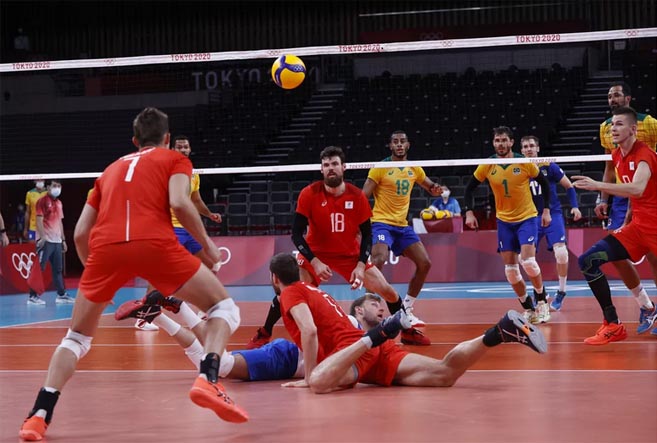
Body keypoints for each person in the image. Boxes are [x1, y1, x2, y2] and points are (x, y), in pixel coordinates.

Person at [18, 107, 248, 442]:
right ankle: (208, 378)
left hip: (106, 249)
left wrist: (98, 280)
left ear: (134, 140)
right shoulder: (175, 159)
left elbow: (81, 233)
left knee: (76, 338)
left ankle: (39, 415)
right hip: (154, 243)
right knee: (223, 308)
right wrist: (209, 246)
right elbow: (180, 203)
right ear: (167, 139)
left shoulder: (109, 170)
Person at [270, 252, 547, 392]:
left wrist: (307, 378)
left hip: (356, 350)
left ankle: (380, 333)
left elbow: (309, 330)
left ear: (274, 278)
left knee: (319, 383)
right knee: (444, 374)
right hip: (371, 357)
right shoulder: (312, 290)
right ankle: (499, 332)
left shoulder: (291, 292)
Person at [248, 146, 428, 348]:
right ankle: (265, 332)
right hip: (315, 254)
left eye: (334, 164)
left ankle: (407, 331)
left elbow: (367, 235)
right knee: (289, 292)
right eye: (326, 165)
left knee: (388, 292)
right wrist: (315, 261)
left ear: (343, 167)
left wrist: (361, 264)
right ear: (321, 169)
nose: (330, 168)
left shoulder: (357, 196)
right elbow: (296, 234)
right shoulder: (309, 193)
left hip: (349, 255)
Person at [572, 106, 657, 344]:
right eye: (611, 125)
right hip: (637, 228)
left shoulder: (645, 154)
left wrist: (598, 185)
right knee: (588, 260)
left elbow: (637, 187)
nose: (613, 129)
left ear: (633, 129)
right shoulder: (617, 155)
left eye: (619, 124)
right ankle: (613, 324)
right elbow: (635, 193)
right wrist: (629, 213)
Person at [133, 135, 222, 331]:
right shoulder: (166, 171)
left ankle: (204, 308)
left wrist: (209, 214)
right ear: (173, 149)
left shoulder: (193, 175)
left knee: (211, 264)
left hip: (189, 229)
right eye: (179, 147)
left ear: (190, 149)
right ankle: (144, 315)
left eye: (185, 147)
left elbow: (196, 200)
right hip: (171, 228)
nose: (183, 150)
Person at [463, 126, 552, 324]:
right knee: (510, 271)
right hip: (504, 221)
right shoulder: (488, 165)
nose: (501, 144)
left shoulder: (524, 162)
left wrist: (546, 210)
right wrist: (468, 212)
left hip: (527, 218)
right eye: (497, 141)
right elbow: (469, 189)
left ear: (511, 142)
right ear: (493, 143)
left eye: (504, 140)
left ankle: (542, 302)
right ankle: (528, 308)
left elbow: (544, 184)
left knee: (528, 261)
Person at [362, 130, 441, 333]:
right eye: (395, 142)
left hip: (402, 226)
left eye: (402, 141)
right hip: (381, 223)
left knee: (425, 263)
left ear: (408, 145)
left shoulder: (414, 168)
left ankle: (406, 309)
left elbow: (429, 186)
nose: (399, 144)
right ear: (390, 146)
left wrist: (436, 189)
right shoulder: (380, 168)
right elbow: (363, 197)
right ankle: (369, 311)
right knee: (378, 259)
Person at [595, 81, 657, 322]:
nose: (612, 99)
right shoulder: (605, 128)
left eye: (617, 95)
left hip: (647, 194)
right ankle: (646, 305)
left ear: (628, 99)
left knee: (653, 255)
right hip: (622, 195)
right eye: (609, 96)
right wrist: (603, 198)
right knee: (615, 254)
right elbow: (609, 167)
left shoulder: (649, 123)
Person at [520, 135, 582, 311]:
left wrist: (575, 207)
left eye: (532, 146)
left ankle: (561, 291)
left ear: (538, 148)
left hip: (553, 214)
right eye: (525, 146)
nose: (529, 149)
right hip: (530, 216)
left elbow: (569, 186)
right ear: (522, 150)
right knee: (523, 259)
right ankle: (540, 291)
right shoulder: (518, 169)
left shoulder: (549, 166)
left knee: (561, 253)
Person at [27, 180, 74, 305]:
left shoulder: (59, 203)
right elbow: (38, 220)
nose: (57, 188)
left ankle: (61, 295)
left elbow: (60, 222)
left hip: (57, 241)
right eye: (54, 186)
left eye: (59, 186)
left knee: (58, 269)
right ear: (48, 187)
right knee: (40, 268)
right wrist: (42, 237)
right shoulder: (42, 201)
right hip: (46, 241)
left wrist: (63, 240)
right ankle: (33, 296)